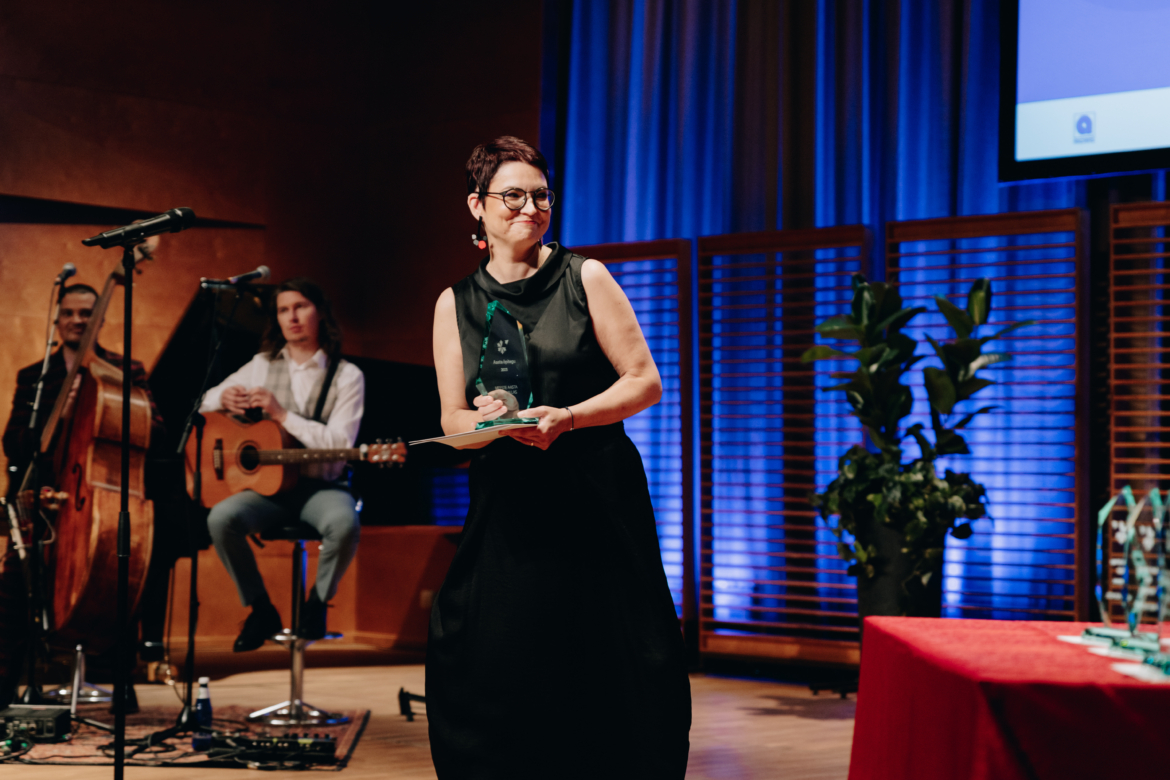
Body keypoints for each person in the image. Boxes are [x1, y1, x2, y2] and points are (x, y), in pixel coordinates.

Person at [427, 136, 691, 779]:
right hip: (510, 501)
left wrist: (567, 417)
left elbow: (644, 381)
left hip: (593, 491)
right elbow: (451, 419)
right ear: (476, 206)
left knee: (608, 656)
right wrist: (485, 423)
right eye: (512, 196)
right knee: (498, 657)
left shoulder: (585, 276)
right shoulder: (454, 302)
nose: (530, 207)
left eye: (541, 196)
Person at [1, 279, 167, 711]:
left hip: (98, 501)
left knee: (119, 575)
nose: (77, 320)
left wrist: (107, 406)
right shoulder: (35, 376)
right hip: (43, 502)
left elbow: (157, 434)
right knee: (13, 587)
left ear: (101, 319)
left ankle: (122, 682)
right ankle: (4, 688)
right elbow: (14, 443)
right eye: (69, 313)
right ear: (57, 321)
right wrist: (61, 412)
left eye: (86, 313)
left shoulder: (127, 371)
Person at [201, 278, 364, 651]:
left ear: (320, 313)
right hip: (269, 490)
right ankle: (260, 609)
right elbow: (205, 401)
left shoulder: (347, 375)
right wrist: (223, 397)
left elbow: (340, 445)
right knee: (221, 519)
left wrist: (282, 415)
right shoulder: (261, 365)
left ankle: (316, 604)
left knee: (344, 524)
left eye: (301, 307)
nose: (292, 317)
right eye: (283, 310)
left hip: (321, 486)